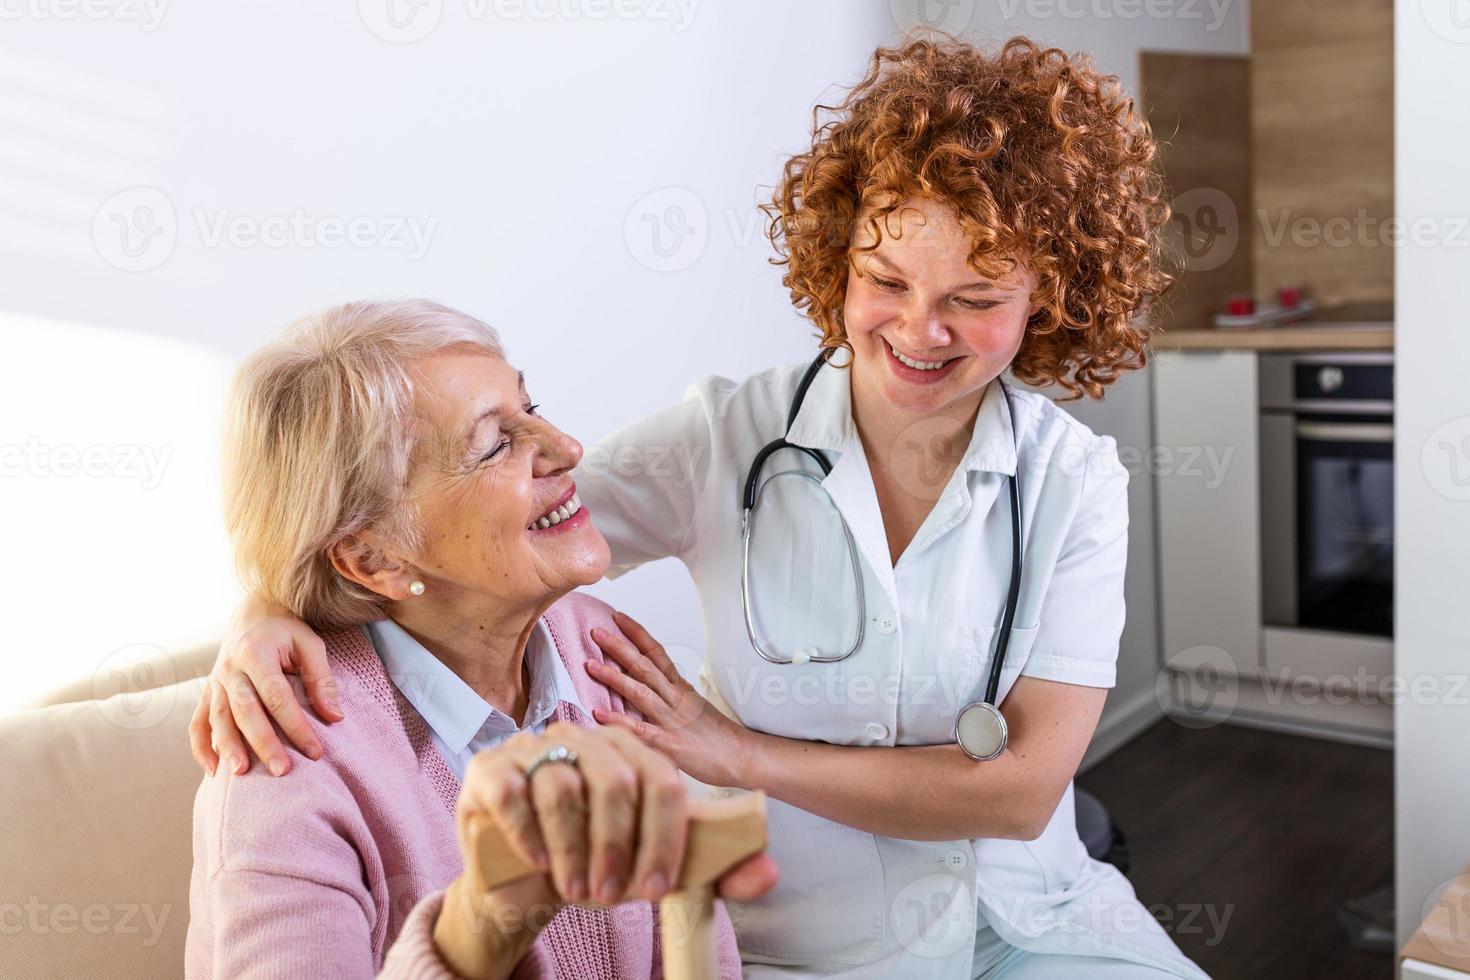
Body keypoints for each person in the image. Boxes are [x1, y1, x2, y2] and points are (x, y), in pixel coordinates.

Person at [190, 37, 1210, 979]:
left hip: (1033, 921)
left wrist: (740, 754)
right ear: (839, 256)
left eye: (976, 297)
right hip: (805, 944)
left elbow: (1025, 787)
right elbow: (474, 533)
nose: (919, 327)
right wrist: (268, 608)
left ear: (1053, 294)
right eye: (886, 278)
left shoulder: (1072, 479)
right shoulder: (722, 444)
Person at [185, 300, 775, 979]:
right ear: (376, 559)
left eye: (532, 407)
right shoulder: (282, 772)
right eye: (496, 443)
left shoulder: (601, 655)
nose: (567, 448)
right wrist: (482, 920)